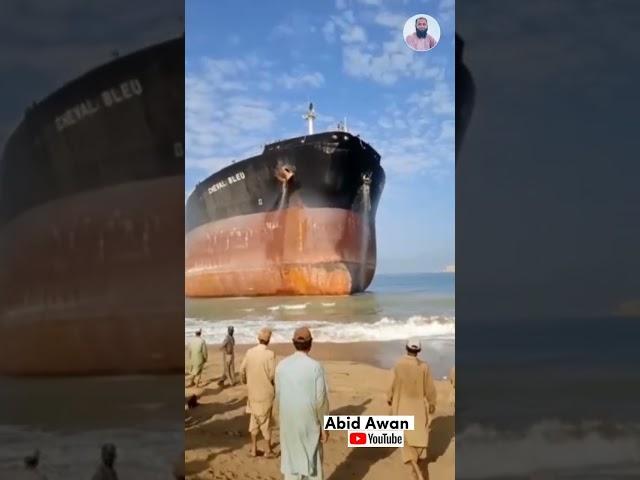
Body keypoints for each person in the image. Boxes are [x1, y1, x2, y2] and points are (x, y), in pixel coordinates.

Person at [275, 327, 329, 480]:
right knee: (313, 465)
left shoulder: (281, 366)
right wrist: (324, 427)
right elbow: (321, 400)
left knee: (291, 463)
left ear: (293, 343)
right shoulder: (315, 367)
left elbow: (278, 396)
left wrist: (280, 421)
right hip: (309, 421)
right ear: (310, 344)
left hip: (288, 420)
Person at [387, 338, 437, 480]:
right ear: (419, 351)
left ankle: (417, 473)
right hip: (418, 410)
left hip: (401, 407)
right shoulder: (424, 367)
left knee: (405, 440)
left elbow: (390, 386)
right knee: (419, 439)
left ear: (406, 348)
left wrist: (389, 398)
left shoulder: (397, 365)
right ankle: (417, 470)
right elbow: (430, 389)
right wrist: (432, 403)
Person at [240, 327, 277, 458]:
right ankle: (268, 450)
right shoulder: (270, 354)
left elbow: (242, 370)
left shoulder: (249, 352)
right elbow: (273, 375)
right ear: (268, 340)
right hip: (266, 393)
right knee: (266, 423)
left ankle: (254, 449)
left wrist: (245, 381)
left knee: (254, 421)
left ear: (258, 338)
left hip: (253, 393)